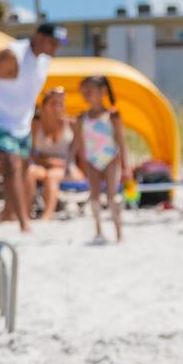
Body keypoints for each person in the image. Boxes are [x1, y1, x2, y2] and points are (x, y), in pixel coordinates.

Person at [0, 23, 64, 231]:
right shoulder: (12, 55)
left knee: (23, 170)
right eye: (53, 42)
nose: (56, 47)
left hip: (21, 123)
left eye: (58, 44)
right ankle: (24, 223)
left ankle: (9, 216)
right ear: (39, 37)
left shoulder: (44, 60)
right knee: (11, 165)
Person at [74, 75, 129, 245]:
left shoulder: (112, 115)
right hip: (92, 160)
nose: (86, 96)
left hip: (111, 158)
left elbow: (121, 141)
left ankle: (119, 231)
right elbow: (80, 142)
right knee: (94, 198)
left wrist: (126, 166)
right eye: (84, 92)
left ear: (102, 92)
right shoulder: (82, 117)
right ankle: (99, 230)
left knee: (113, 196)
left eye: (89, 92)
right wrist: (81, 162)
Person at [26, 89, 73, 221]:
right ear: (44, 105)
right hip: (43, 163)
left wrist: (63, 163)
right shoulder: (35, 124)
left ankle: (47, 216)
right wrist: (47, 161)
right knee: (31, 171)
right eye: (54, 103)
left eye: (61, 103)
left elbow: (80, 154)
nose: (58, 107)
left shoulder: (72, 124)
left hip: (67, 167)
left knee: (52, 175)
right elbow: (31, 153)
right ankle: (25, 213)